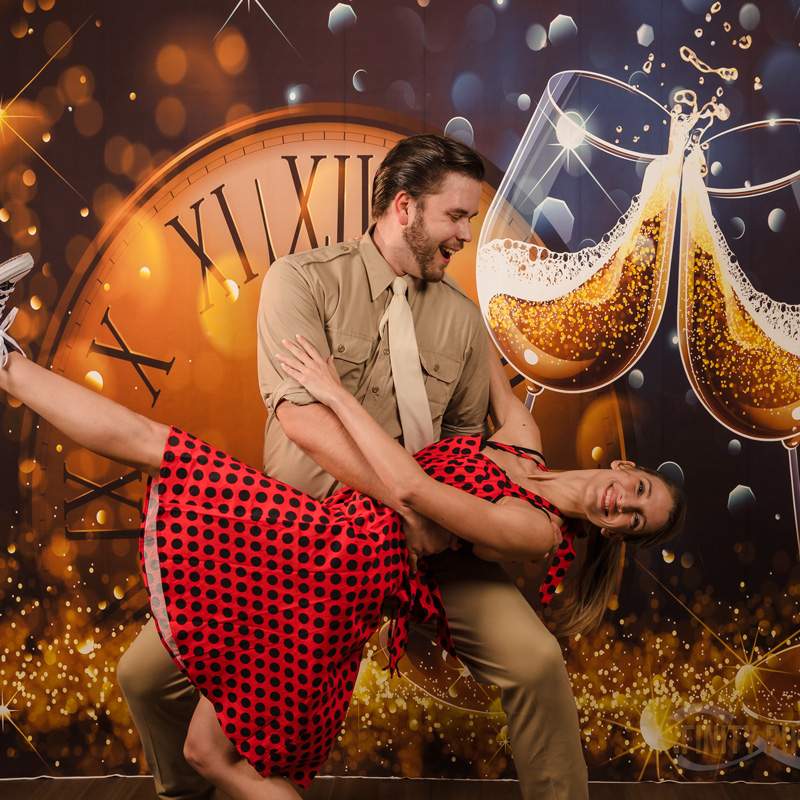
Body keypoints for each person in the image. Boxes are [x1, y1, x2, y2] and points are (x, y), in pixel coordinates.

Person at [0, 252, 685, 799]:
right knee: (160, 450)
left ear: (616, 535)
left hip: (338, 563)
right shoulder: (522, 435)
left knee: (214, 748)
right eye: (638, 489)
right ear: (627, 465)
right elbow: (483, 345)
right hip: (322, 530)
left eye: (632, 518)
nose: (620, 501)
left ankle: (6, 364)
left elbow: (411, 489)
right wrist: (456, 278)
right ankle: (6, 362)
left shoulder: (535, 529)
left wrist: (331, 391)